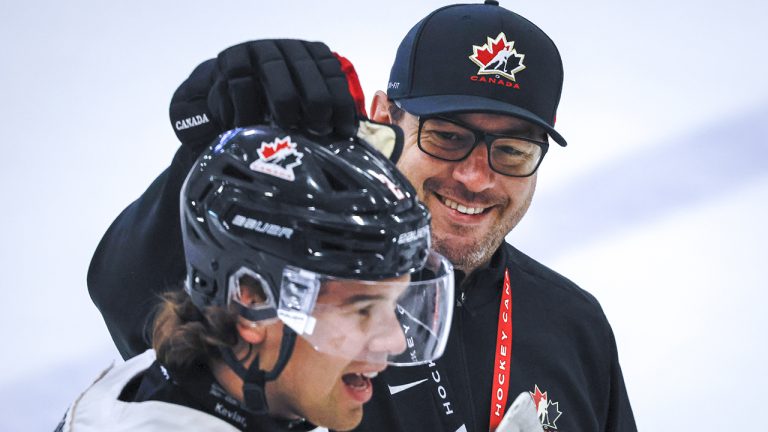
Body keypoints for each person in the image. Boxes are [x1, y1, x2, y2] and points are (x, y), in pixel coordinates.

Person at [88, 2, 637, 431]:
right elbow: (130, 292)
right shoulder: (289, 271)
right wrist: (207, 148)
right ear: (383, 118)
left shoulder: (574, 324)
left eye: (512, 151)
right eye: (447, 137)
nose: (476, 177)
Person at [61, 125, 455, 431]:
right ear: (250, 300)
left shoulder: (231, 392)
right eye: (362, 308)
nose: (395, 339)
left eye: (395, 301)